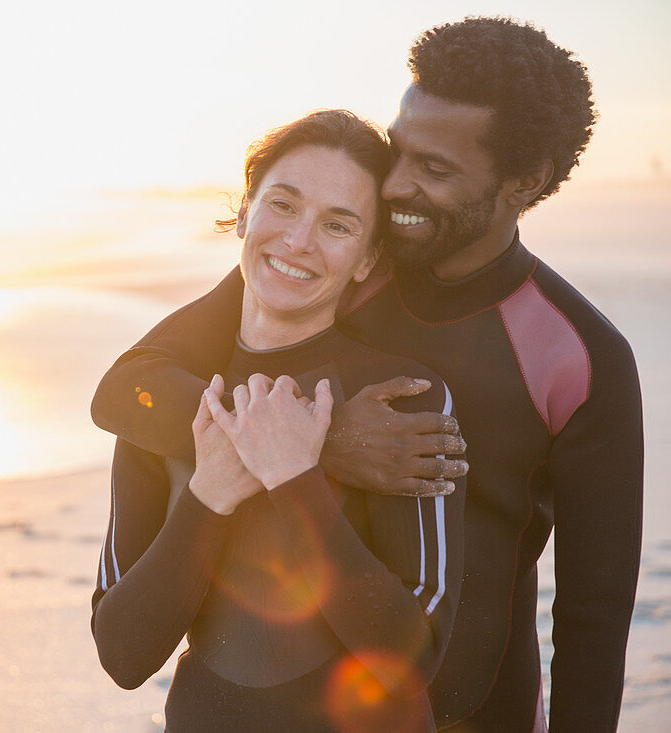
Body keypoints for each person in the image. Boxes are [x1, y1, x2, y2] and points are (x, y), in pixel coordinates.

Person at [90, 17, 643, 733]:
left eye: (435, 170)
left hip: (485, 709)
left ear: (523, 182)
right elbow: (127, 389)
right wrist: (322, 442)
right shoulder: (332, 274)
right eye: (399, 149)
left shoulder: (578, 352)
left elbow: (595, 616)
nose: (398, 183)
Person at [92, 110, 466, 732]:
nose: (298, 241)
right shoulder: (168, 399)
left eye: (338, 225)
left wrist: (294, 478)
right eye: (283, 205)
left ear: (370, 257)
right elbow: (123, 654)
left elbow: (414, 654)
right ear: (243, 215)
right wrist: (211, 492)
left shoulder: (401, 401)